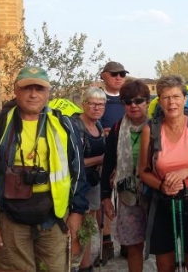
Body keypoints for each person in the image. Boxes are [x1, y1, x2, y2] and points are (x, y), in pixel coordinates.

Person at [0, 66, 88, 272]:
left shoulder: (63, 124)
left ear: (47, 93)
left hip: (53, 218)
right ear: (16, 91)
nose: (33, 94)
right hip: (12, 220)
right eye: (27, 88)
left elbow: (78, 171)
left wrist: (77, 211)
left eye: (39, 89)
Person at [139, 75, 188, 272]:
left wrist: (186, 172)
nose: (171, 102)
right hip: (163, 203)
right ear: (160, 101)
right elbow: (143, 171)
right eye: (165, 97)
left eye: (176, 96)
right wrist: (162, 186)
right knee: (165, 265)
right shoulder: (151, 129)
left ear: (184, 98)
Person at [99, 79, 150, 272]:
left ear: (147, 101)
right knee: (133, 244)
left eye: (138, 101)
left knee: (163, 244)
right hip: (128, 194)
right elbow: (109, 163)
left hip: (154, 192)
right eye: (127, 102)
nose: (133, 105)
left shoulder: (156, 126)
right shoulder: (118, 128)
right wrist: (105, 197)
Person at [95, 60, 129, 265]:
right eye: (114, 74)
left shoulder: (127, 99)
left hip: (125, 156)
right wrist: (102, 132)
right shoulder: (98, 98)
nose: (119, 78)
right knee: (104, 200)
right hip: (102, 155)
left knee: (127, 198)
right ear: (104, 75)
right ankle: (106, 242)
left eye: (122, 74)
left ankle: (126, 240)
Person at [71, 87, 107, 272]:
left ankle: (85, 265)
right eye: (92, 103)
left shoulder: (98, 125)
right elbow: (75, 162)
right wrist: (102, 159)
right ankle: (75, 264)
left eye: (101, 104)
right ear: (84, 104)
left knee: (88, 225)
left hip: (93, 183)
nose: (97, 108)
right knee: (77, 226)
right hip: (77, 185)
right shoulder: (76, 127)